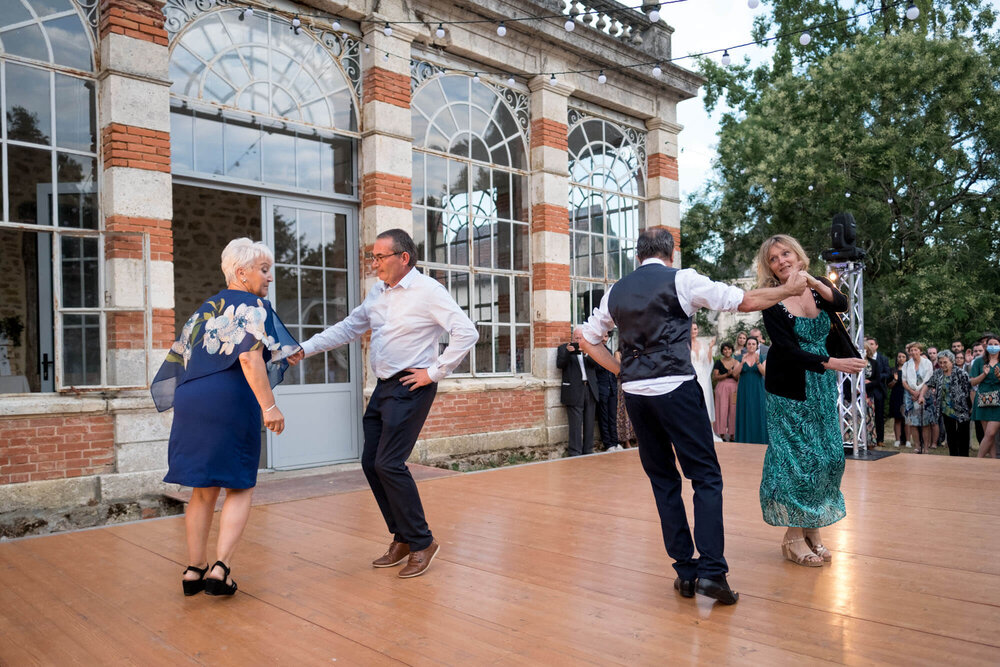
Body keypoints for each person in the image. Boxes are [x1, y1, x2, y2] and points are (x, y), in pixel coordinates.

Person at [578, 227, 809, 606]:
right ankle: (713, 573)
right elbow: (744, 301)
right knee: (704, 476)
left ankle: (686, 573)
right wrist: (786, 290)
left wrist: (622, 372)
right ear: (671, 254)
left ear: (639, 256)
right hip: (676, 388)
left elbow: (587, 338)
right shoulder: (682, 279)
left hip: (636, 394)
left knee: (663, 480)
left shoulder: (616, 290)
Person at [287, 229, 477, 578]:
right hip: (384, 386)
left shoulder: (428, 291)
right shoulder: (378, 292)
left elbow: (466, 331)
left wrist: (434, 373)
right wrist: (305, 347)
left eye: (379, 256)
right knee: (372, 462)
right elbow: (349, 327)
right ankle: (402, 537)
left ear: (403, 258)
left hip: (411, 385)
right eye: (372, 256)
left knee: (389, 463)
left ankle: (423, 542)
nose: (374, 263)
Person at [151, 238, 299, 596]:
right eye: (264, 270)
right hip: (229, 399)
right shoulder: (254, 306)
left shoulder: (205, 309)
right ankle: (220, 569)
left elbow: (181, 360)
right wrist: (269, 406)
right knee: (239, 484)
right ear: (241, 272)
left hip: (192, 399)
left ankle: (193, 570)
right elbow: (249, 359)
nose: (269, 278)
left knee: (202, 491)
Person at [757, 234, 866, 568]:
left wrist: (813, 284)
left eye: (785, 253)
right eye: (773, 259)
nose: (781, 261)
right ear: (770, 269)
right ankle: (794, 536)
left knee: (829, 457)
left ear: (797, 255)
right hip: (788, 388)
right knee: (796, 461)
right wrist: (834, 364)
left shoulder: (817, 286)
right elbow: (787, 350)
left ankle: (812, 527)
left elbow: (842, 304)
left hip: (818, 385)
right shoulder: (772, 300)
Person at [557, 329, 600, 456]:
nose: (578, 340)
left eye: (581, 338)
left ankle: (588, 450)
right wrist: (568, 353)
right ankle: (575, 452)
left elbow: (597, 365)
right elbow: (560, 364)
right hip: (574, 390)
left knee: (589, 422)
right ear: (572, 338)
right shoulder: (563, 348)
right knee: (575, 424)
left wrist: (587, 353)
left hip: (590, 389)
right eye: (576, 338)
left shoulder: (590, 349)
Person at [929, 350, 972, 456]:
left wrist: (971, 407)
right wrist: (921, 395)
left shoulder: (961, 373)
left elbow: (969, 390)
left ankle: (964, 457)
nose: (942, 365)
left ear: (952, 361)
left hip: (962, 408)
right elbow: (928, 383)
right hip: (946, 408)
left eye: (945, 362)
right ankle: (953, 457)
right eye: (940, 362)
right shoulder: (938, 373)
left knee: (963, 434)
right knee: (951, 434)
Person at [970, 334, 1000, 459]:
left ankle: (978, 460)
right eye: (990, 344)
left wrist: (999, 376)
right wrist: (984, 374)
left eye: (996, 344)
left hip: (998, 401)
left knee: (990, 433)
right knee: (989, 436)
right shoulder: (978, 361)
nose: (993, 347)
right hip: (983, 400)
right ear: (986, 346)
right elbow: (972, 382)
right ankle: (993, 463)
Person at [902, 342, 935, 453]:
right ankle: (917, 446)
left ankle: (926, 447)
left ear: (920, 351)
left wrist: (919, 392)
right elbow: (904, 380)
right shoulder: (906, 364)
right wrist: (912, 391)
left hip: (924, 394)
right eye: (911, 350)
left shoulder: (927, 363)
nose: (913, 352)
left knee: (925, 422)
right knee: (912, 422)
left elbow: (929, 379)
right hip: (910, 394)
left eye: (916, 350)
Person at [735, 336, 768, 444]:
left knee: (757, 411)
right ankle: (744, 439)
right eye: (749, 344)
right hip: (744, 389)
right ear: (746, 345)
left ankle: (758, 439)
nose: (751, 346)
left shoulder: (762, 357)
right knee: (745, 411)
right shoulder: (740, 357)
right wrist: (741, 363)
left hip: (757, 389)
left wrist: (758, 363)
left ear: (757, 346)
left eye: (753, 344)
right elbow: (735, 374)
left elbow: (764, 373)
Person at [594, 335, 619, 451]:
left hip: (612, 388)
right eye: (603, 336)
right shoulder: (595, 352)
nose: (606, 338)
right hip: (602, 388)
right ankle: (608, 444)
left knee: (612, 417)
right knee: (604, 418)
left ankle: (615, 441)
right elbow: (599, 368)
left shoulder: (608, 350)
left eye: (607, 335)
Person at [864, 336, 890, 447]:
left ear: (876, 346)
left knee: (878, 415)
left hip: (878, 391)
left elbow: (887, 373)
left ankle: (880, 439)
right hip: (864, 392)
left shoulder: (882, 359)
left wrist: (874, 379)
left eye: (872, 344)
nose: (870, 346)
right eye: (868, 344)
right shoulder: (860, 360)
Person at [690, 322, 717, 426]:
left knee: (705, 397)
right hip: (691, 374)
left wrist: (710, 348)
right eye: (691, 329)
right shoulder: (685, 344)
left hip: (703, 375)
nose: (693, 331)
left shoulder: (702, 344)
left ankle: (705, 426)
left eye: (695, 329)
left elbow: (709, 362)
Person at [712, 342, 740, 441]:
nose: (727, 351)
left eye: (729, 349)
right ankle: (722, 433)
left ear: (732, 350)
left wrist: (734, 374)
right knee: (721, 409)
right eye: (725, 349)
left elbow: (738, 378)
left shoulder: (737, 362)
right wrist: (727, 375)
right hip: (722, 387)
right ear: (722, 351)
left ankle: (733, 434)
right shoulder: (718, 362)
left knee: (734, 410)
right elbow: (715, 377)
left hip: (734, 388)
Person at [888, 351, 908, 447]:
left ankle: (908, 441)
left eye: (903, 356)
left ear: (906, 358)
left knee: (907, 419)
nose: (901, 358)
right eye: (899, 356)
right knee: (897, 419)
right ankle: (897, 440)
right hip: (896, 396)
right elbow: (889, 386)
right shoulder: (893, 371)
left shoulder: (910, 370)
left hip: (907, 395)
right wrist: (895, 380)